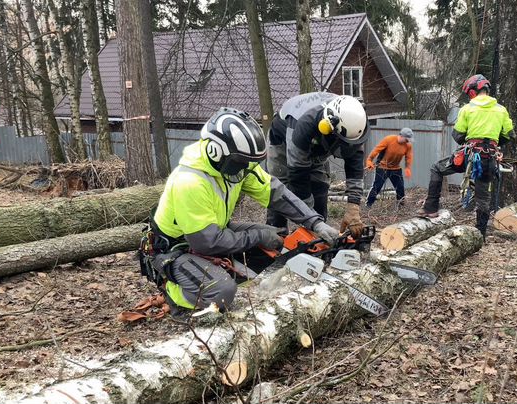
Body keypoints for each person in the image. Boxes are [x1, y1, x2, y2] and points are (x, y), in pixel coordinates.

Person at [142, 107, 340, 313]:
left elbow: (275, 193)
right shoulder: (190, 181)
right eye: (240, 163)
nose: (245, 168)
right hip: (176, 249)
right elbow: (206, 243)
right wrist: (256, 236)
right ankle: (173, 292)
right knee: (222, 293)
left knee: (276, 238)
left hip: (213, 233)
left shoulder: (238, 165)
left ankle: (231, 272)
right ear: (216, 152)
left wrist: (314, 222)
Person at [418, 74, 514, 240]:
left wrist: (472, 137)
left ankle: (431, 208)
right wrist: (493, 142)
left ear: (472, 91)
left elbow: (458, 135)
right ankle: (480, 235)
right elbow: (509, 134)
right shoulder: (501, 110)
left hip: (470, 155)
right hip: (489, 158)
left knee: (437, 168)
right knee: (483, 198)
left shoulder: (468, 109)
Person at [266, 92, 369, 237]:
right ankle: (276, 237)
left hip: (316, 146)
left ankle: (320, 241)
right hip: (283, 143)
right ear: (327, 129)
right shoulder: (303, 126)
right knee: (279, 193)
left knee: (320, 189)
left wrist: (353, 207)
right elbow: (298, 176)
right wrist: (311, 222)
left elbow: (355, 165)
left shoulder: (355, 123)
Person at [364, 128, 414, 208]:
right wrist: (369, 160)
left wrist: (408, 168)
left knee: (400, 188)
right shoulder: (389, 139)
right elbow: (376, 150)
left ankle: (401, 206)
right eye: (406, 139)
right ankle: (368, 205)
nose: (407, 141)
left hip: (396, 169)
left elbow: (409, 157)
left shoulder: (408, 145)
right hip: (382, 167)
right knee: (377, 187)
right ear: (401, 136)